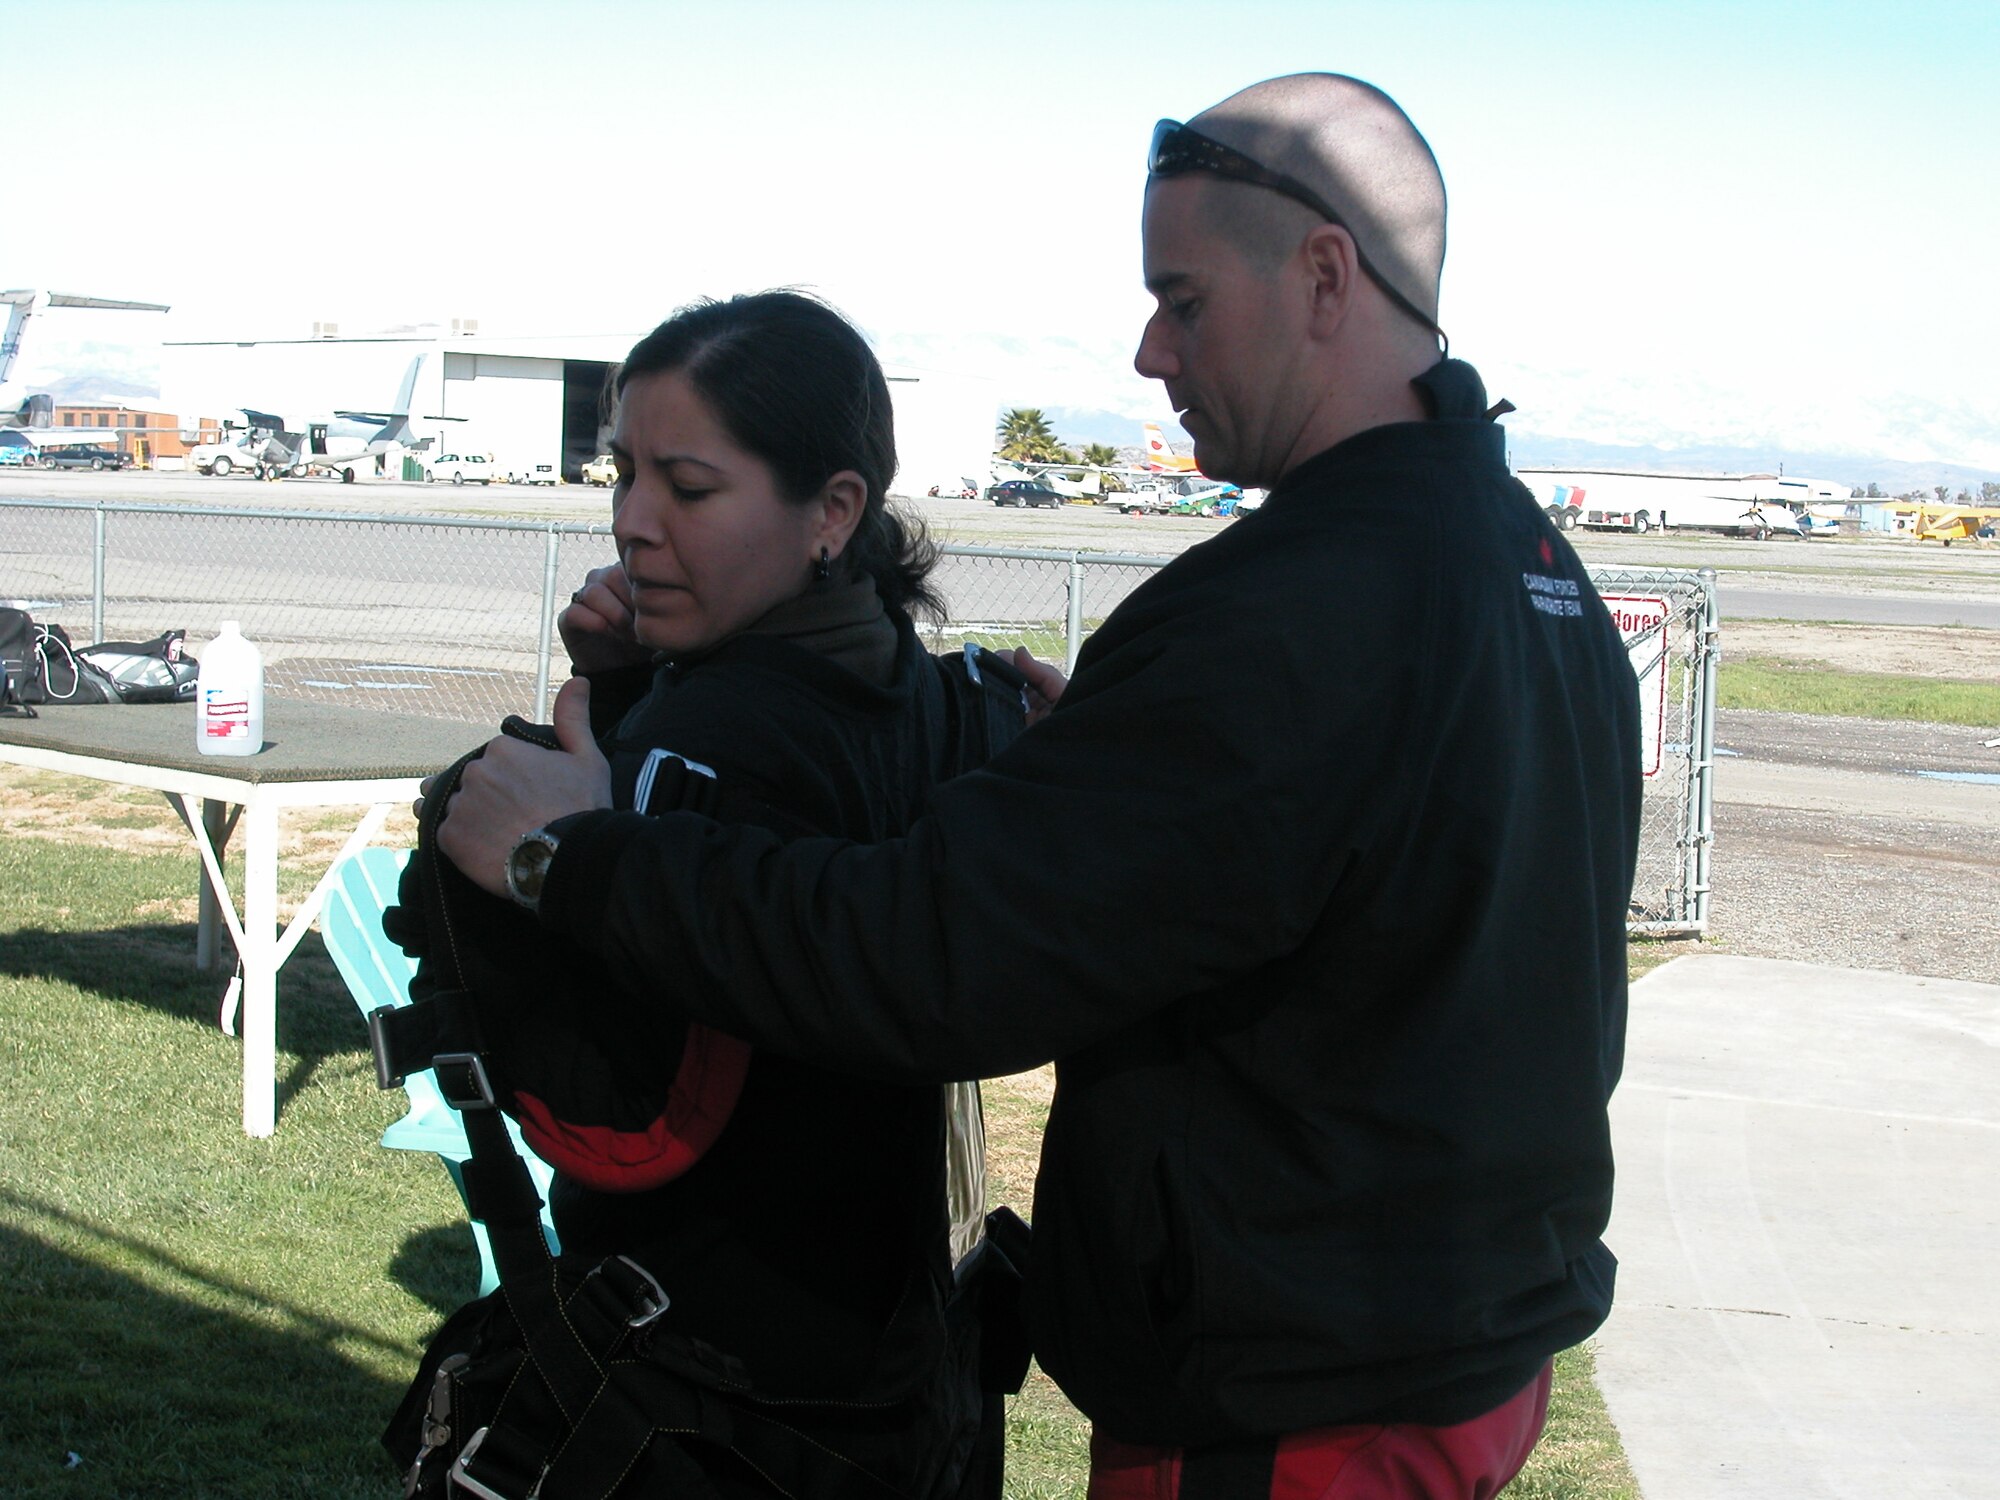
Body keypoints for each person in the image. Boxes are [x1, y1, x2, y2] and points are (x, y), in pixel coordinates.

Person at [437, 74, 1642, 1500]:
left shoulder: (1293, 609)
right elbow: (1367, 884)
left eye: (1182, 300)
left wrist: (561, 859)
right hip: (1441, 1346)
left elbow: (930, 956)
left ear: (1327, 276)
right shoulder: (1523, 561)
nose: (1148, 350)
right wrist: (1123, 784)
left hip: (1298, 1410)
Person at [393, 290, 1013, 1499]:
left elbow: (619, 1116)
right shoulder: (943, 701)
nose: (632, 525)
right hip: (898, 1381)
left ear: (832, 510)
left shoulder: (706, 733)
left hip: (708, 1395)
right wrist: (634, 693)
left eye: (686, 488)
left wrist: (583, 804)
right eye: (621, 475)